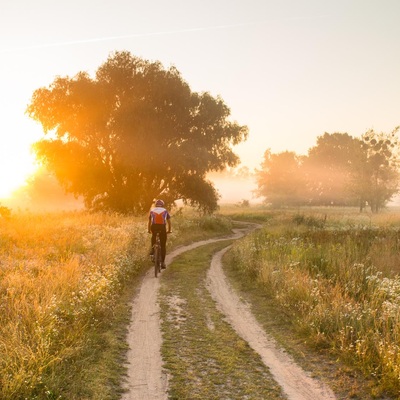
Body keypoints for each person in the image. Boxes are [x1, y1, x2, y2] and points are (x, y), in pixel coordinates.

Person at [148, 199, 171, 269]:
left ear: (155, 205)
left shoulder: (152, 210)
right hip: (162, 228)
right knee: (163, 246)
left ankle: (152, 249)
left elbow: (149, 222)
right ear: (162, 205)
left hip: (154, 227)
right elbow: (169, 222)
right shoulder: (165, 210)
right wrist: (169, 230)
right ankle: (163, 263)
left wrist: (149, 230)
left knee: (153, 236)